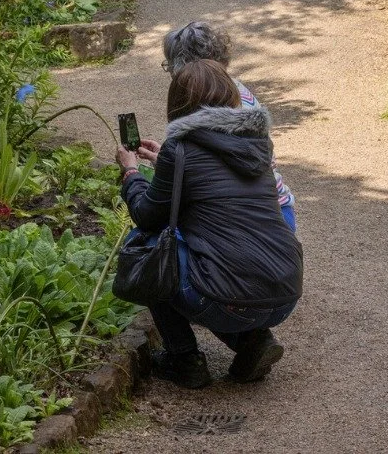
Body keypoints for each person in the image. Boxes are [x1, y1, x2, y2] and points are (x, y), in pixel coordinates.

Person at [116, 59, 303, 390]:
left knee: (151, 246)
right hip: (284, 293)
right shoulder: (257, 143)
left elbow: (146, 214)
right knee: (221, 263)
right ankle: (252, 341)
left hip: (226, 299)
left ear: (180, 104)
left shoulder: (182, 148)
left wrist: (131, 171)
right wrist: (165, 162)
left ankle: (184, 359)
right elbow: (217, 183)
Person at [161, 21, 297, 232]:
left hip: (246, 221)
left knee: (157, 234)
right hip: (278, 212)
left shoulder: (207, 104)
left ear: (186, 67)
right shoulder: (239, 92)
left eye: (170, 67)